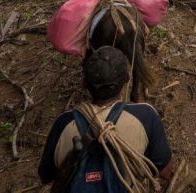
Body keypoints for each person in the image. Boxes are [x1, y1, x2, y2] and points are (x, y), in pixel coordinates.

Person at [38, 46, 174, 190]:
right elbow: (165, 172)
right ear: (127, 78)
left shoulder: (64, 123)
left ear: (84, 83)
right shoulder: (145, 116)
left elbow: (45, 176)